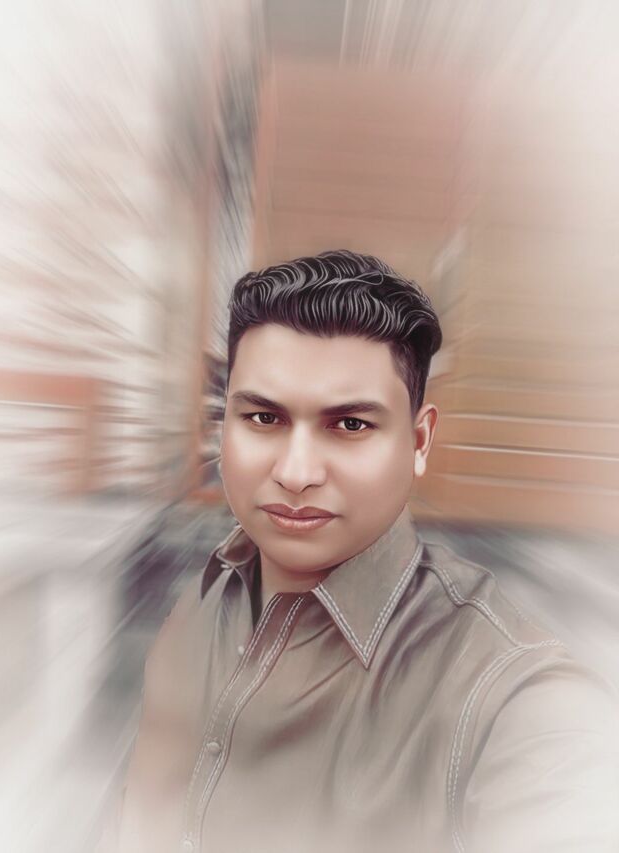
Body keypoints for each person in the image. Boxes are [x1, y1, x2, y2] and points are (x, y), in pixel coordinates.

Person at [97, 250, 619, 853]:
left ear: (418, 441)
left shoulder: (508, 697)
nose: (296, 473)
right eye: (263, 417)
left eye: (349, 425)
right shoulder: (204, 596)